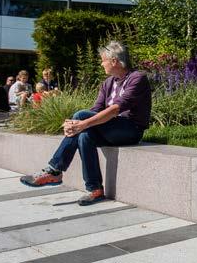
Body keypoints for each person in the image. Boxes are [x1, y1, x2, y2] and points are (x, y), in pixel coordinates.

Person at [20, 42, 151, 206]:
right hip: (111, 129)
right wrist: (73, 124)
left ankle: (55, 170)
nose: (101, 63)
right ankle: (95, 190)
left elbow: (116, 109)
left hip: (130, 129)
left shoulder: (137, 78)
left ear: (114, 61)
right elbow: (95, 109)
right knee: (85, 135)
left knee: (82, 118)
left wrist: (81, 122)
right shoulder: (108, 83)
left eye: (103, 60)